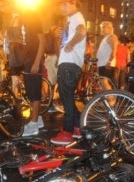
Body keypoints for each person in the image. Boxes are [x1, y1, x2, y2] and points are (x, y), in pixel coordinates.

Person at [50, 0, 86, 145]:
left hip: (69, 63)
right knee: (68, 97)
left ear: (74, 3)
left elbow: (82, 31)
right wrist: (64, 35)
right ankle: (76, 127)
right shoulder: (72, 19)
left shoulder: (77, 16)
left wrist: (70, 44)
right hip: (69, 63)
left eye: (64, 4)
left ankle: (67, 132)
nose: (61, 7)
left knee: (67, 98)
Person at [17, 8, 46, 136]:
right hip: (28, 62)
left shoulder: (34, 20)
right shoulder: (25, 26)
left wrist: (36, 62)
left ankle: (34, 125)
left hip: (34, 62)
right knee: (30, 93)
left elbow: (43, 41)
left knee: (34, 94)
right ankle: (37, 119)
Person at [96, 21, 118, 85]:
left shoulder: (111, 37)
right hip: (102, 64)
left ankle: (111, 95)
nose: (102, 29)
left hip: (107, 64)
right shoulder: (105, 38)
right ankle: (110, 95)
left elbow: (114, 50)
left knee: (104, 82)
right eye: (101, 28)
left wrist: (109, 61)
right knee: (102, 83)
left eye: (103, 27)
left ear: (109, 28)